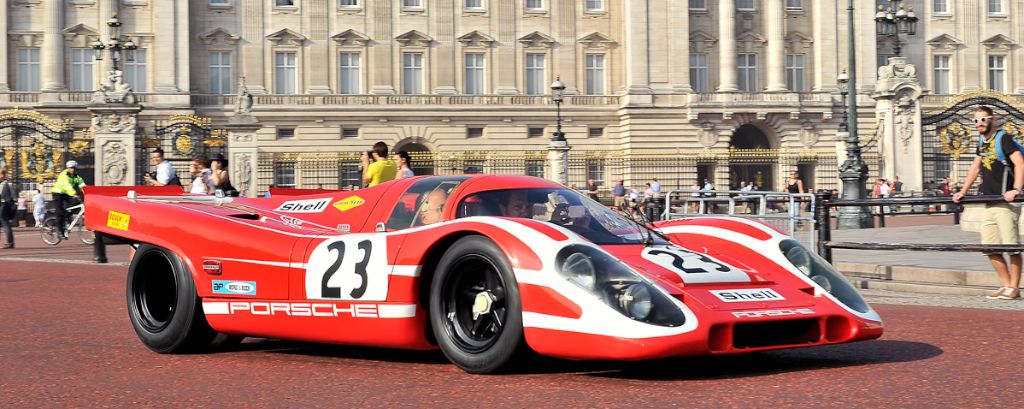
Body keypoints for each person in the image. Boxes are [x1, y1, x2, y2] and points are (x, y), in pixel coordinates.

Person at [953, 105, 1023, 300]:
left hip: (1007, 202)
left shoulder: (1004, 138)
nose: (979, 124)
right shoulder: (982, 142)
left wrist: (1016, 189)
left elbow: (1019, 163)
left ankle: (1014, 287)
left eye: (983, 119)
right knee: (989, 247)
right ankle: (1007, 285)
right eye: (976, 120)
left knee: (1012, 246)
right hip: (990, 201)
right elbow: (975, 168)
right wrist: (962, 191)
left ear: (993, 119)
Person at [52, 160, 86, 238]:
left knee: (76, 204)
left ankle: (67, 217)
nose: (72, 169)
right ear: (68, 168)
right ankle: (59, 230)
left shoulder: (76, 176)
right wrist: (74, 194)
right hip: (58, 194)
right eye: (71, 168)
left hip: (67, 194)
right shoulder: (63, 175)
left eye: (74, 168)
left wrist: (88, 192)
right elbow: (67, 186)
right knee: (60, 211)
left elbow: (83, 185)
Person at [0, 170, 14, 248]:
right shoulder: (4, 184)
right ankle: (10, 242)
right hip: (3, 205)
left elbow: (2, 197)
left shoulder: (4, 184)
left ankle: (10, 242)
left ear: (2, 175)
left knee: (5, 223)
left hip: (3, 205)